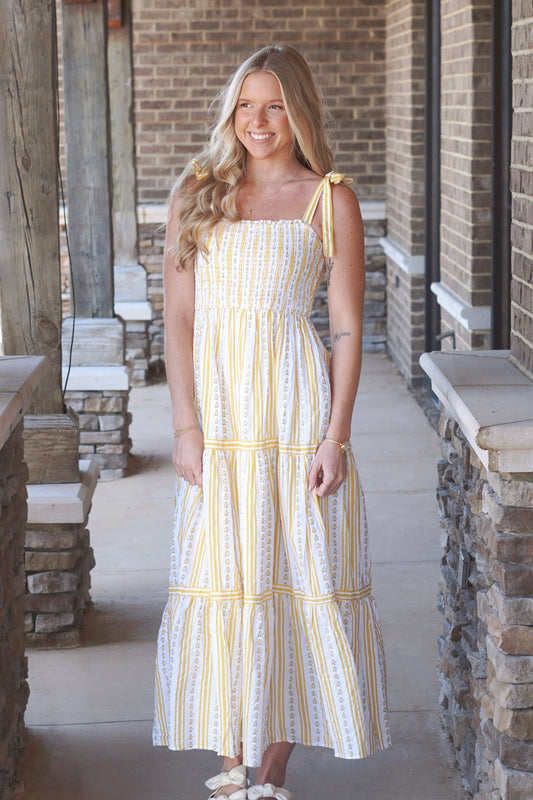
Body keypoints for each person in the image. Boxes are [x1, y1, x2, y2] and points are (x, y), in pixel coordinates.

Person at [153, 44, 391, 800]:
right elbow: (180, 321)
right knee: (223, 575)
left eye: (275, 106)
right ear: (232, 112)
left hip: (294, 407)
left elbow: (348, 328)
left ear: (299, 112)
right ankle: (230, 759)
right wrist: (185, 426)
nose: (258, 121)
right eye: (246, 105)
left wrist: (336, 435)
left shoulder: (331, 199)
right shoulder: (197, 191)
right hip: (219, 415)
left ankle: (272, 768)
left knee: (297, 570)